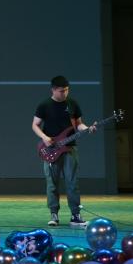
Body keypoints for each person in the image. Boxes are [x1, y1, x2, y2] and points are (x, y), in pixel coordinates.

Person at [32, 75, 96, 228]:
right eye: (61, 91)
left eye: (67, 90)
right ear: (53, 90)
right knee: (52, 183)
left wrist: (87, 128)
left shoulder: (72, 104)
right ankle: (54, 214)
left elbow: (79, 124)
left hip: (70, 147)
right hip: (51, 149)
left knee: (72, 182)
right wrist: (44, 137)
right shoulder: (44, 105)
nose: (65, 93)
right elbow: (35, 125)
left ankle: (75, 215)